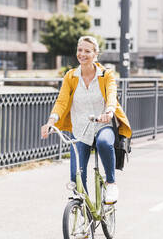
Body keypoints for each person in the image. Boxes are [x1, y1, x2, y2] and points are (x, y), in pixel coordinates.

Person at [41, 36, 132, 203]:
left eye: (87, 51)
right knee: (77, 178)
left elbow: (112, 94)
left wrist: (109, 111)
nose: (82, 54)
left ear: (95, 54)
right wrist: (51, 121)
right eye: (80, 50)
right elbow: (61, 101)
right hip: (80, 129)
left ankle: (111, 183)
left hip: (103, 125)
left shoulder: (106, 75)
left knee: (104, 143)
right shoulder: (71, 77)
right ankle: (83, 214)